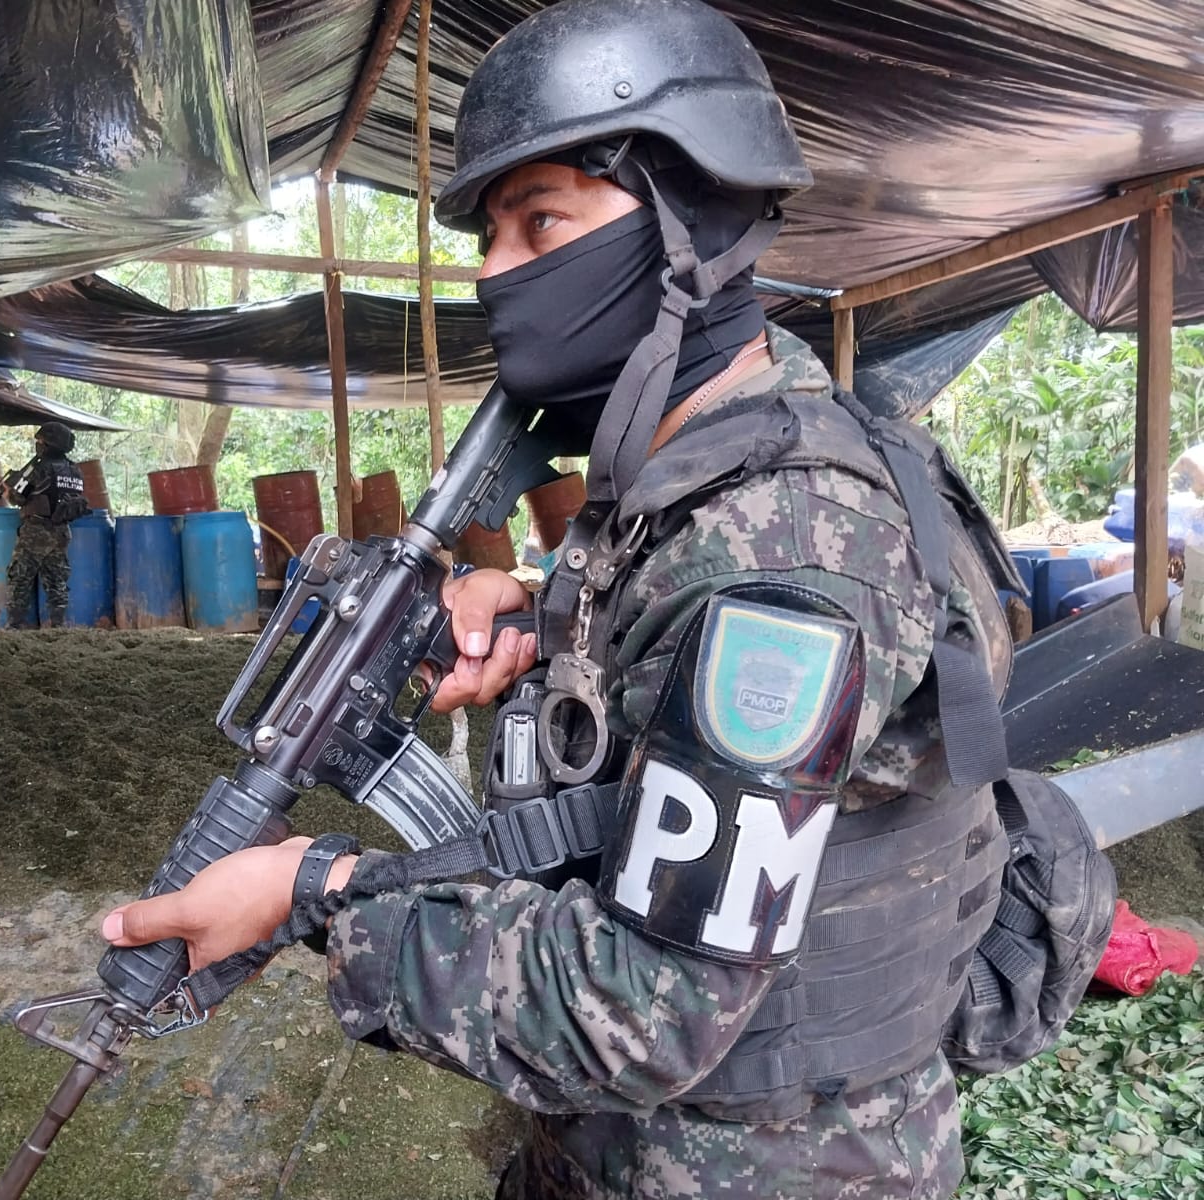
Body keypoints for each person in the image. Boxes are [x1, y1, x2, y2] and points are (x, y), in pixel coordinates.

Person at [98, 2, 1023, 1196]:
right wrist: (549, 631)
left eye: (542, 222)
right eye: (490, 234)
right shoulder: (733, 472)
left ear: (692, 228)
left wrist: (314, 895)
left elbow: (642, 1008)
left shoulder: (781, 554)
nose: (493, 272)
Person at [5, 422, 88, 629]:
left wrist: (8, 490)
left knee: (20, 578)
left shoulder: (38, 468)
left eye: (40, 441)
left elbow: (17, 497)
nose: (38, 444)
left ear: (49, 444)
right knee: (57, 581)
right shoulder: (74, 470)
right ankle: (58, 626)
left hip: (36, 531)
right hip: (61, 532)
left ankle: (14, 626)